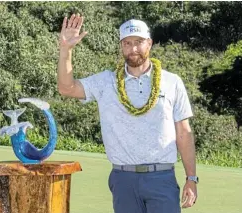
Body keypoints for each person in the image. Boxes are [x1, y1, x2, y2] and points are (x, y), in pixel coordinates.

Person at [57, 13, 198, 213]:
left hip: (162, 177)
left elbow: (183, 133)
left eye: (139, 42)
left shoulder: (172, 82)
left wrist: (191, 178)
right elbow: (66, 88)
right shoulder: (106, 81)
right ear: (121, 46)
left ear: (149, 43)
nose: (133, 49)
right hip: (123, 180)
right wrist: (66, 50)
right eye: (127, 43)